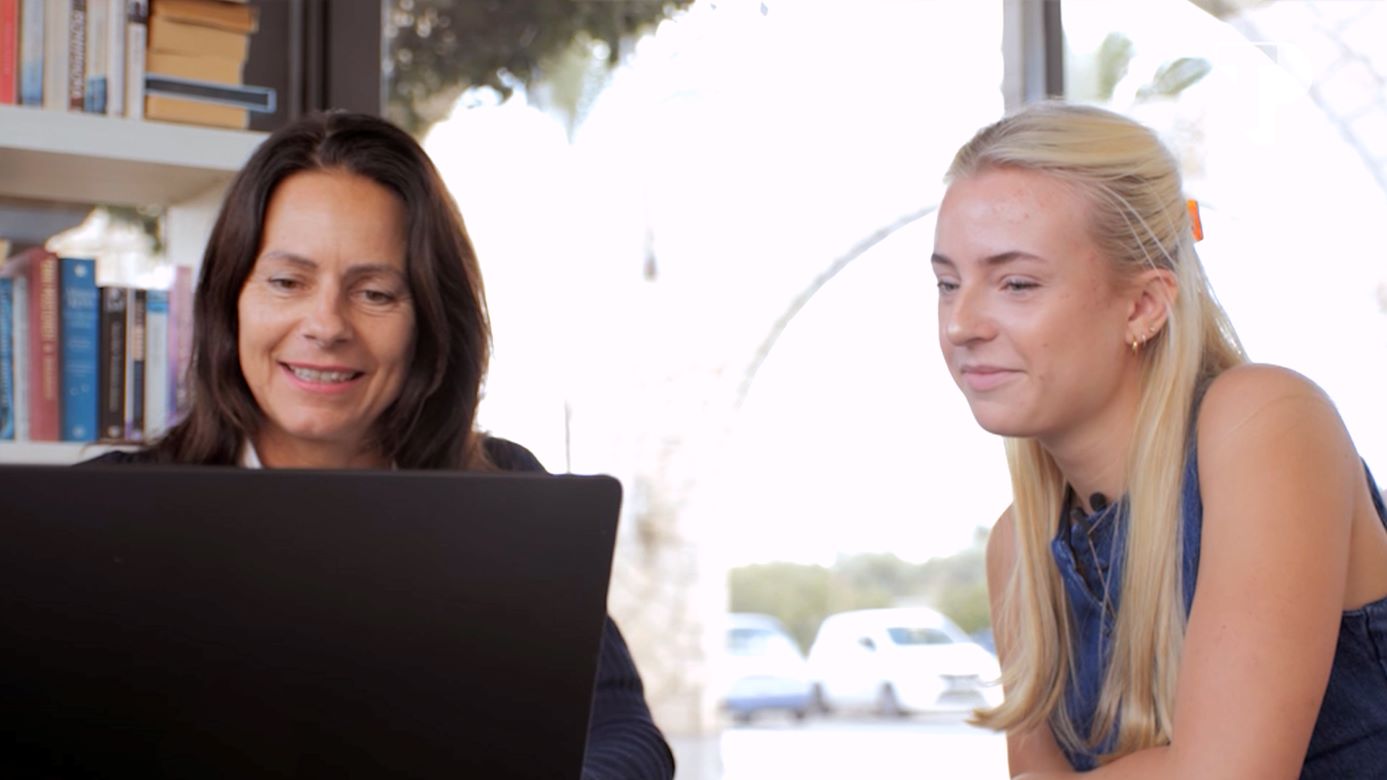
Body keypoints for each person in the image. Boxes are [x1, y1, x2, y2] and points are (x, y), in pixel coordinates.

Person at [87, 110, 675, 779]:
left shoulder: (505, 489)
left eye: (374, 293)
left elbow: (624, 734)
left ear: (429, 320)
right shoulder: (111, 507)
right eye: (287, 281)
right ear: (231, 299)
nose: (326, 325)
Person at [932, 101, 1387, 778]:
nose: (960, 324)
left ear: (1144, 305)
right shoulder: (1018, 547)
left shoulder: (1265, 422)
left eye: (1016, 283)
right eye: (947, 283)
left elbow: (1227, 774)